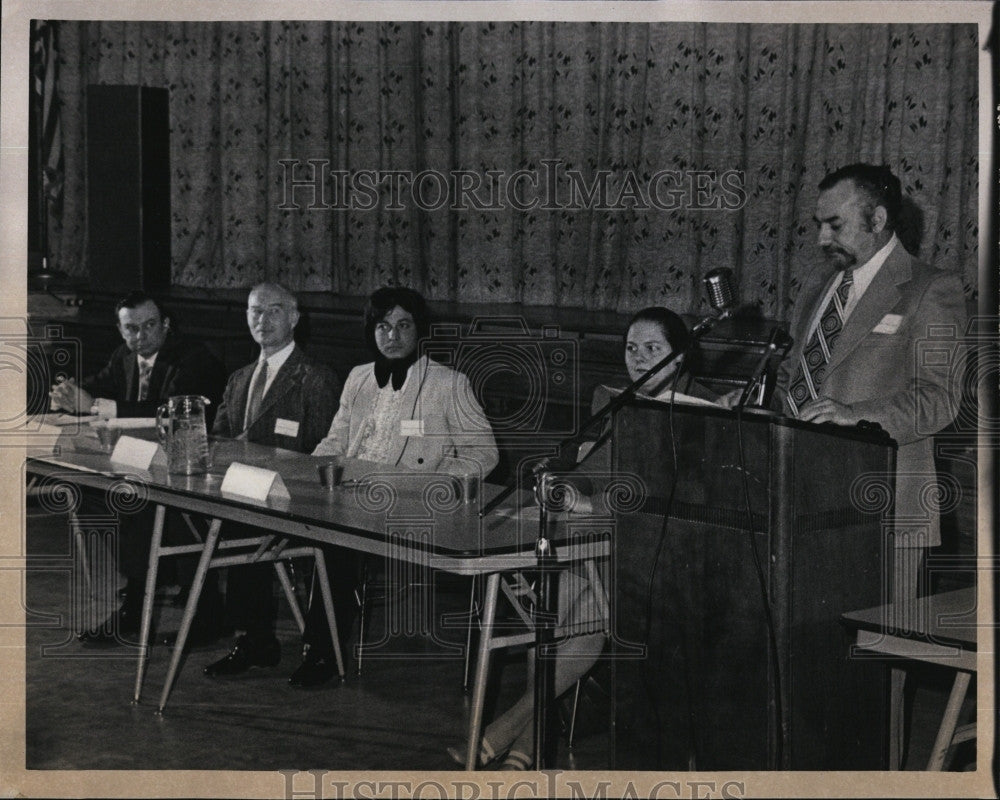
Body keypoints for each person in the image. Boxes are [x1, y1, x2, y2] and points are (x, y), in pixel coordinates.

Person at [452, 306, 708, 770]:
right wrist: (569, 488)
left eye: (653, 349)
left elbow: (673, 499)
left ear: (680, 356)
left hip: (666, 554)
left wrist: (593, 505)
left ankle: (512, 730)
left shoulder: (703, 410)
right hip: (604, 543)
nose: (638, 359)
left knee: (578, 609)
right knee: (565, 607)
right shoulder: (616, 398)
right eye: (631, 348)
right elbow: (594, 468)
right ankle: (527, 743)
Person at [773, 163, 966, 767]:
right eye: (818, 224)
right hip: (801, 508)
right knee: (811, 667)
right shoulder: (818, 289)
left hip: (882, 512)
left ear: (878, 219)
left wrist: (855, 414)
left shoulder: (932, 289)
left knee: (877, 675)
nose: (822, 238)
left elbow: (941, 397)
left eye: (834, 224)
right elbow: (792, 379)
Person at [308, 286, 500, 685]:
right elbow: (335, 439)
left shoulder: (448, 383)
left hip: (413, 504)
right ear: (371, 331)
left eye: (403, 326)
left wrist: (435, 482)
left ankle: (320, 653)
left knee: (333, 543)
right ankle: (312, 643)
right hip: (351, 494)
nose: (392, 336)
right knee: (310, 527)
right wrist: (317, 467)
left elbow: (484, 453)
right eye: (382, 326)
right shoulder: (358, 378)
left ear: (419, 330)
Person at [48, 291, 227, 643]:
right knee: (93, 496)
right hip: (142, 467)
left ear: (165, 325)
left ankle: (144, 598)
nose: (140, 336)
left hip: (188, 469)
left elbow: (170, 408)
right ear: (120, 330)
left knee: (137, 504)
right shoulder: (124, 357)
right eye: (131, 329)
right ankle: (143, 582)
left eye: (149, 326)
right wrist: (72, 395)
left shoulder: (193, 356)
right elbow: (99, 387)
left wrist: (97, 405)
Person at [204, 282, 350, 686]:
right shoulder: (239, 378)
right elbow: (217, 443)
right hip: (245, 497)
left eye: (273, 311)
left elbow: (324, 454)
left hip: (298, 503)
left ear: (294, 318)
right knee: (227, 523)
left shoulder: (316, 378)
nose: (261, 320)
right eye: (254, 311)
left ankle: (317, 651)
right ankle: (254, 641)